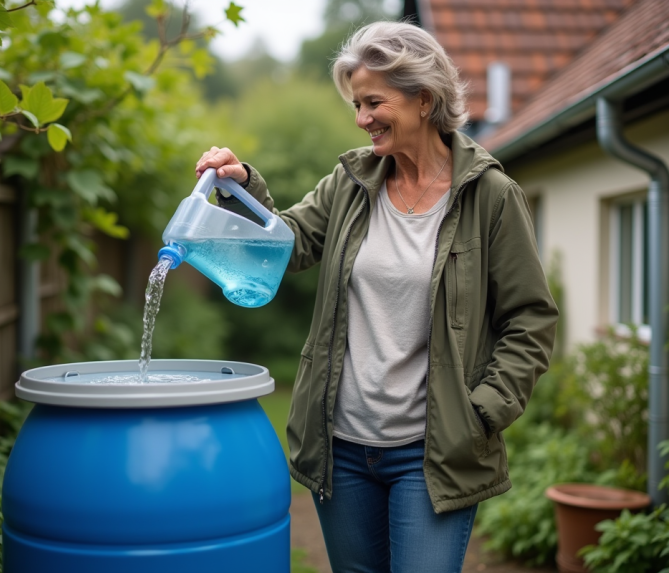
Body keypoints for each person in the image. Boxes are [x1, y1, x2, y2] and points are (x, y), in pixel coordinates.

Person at [195, 20, 558, 573]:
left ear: (424, 99)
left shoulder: (491, 197)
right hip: (342, 448)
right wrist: (243, 184)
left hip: (432, 450)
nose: (362, 119)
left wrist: (480, 413)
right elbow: (288, 245)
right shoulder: (352, 181)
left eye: (373, 102)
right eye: (357, 106)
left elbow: (530, 321)